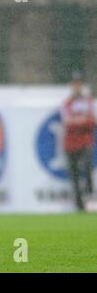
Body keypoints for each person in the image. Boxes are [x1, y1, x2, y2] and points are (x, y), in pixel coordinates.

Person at [61, 72, 96, 211]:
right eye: (74, 83)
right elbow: (67, 123)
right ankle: (79, 205)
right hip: (70, 144)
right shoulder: (67, 103)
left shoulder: (88, 102)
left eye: (79, 83)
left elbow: (93, 121)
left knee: (87, 168)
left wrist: (78, 121)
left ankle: (89, 194)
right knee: (74, 175)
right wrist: (83, 120)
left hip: (85, 141)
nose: (77, 86)